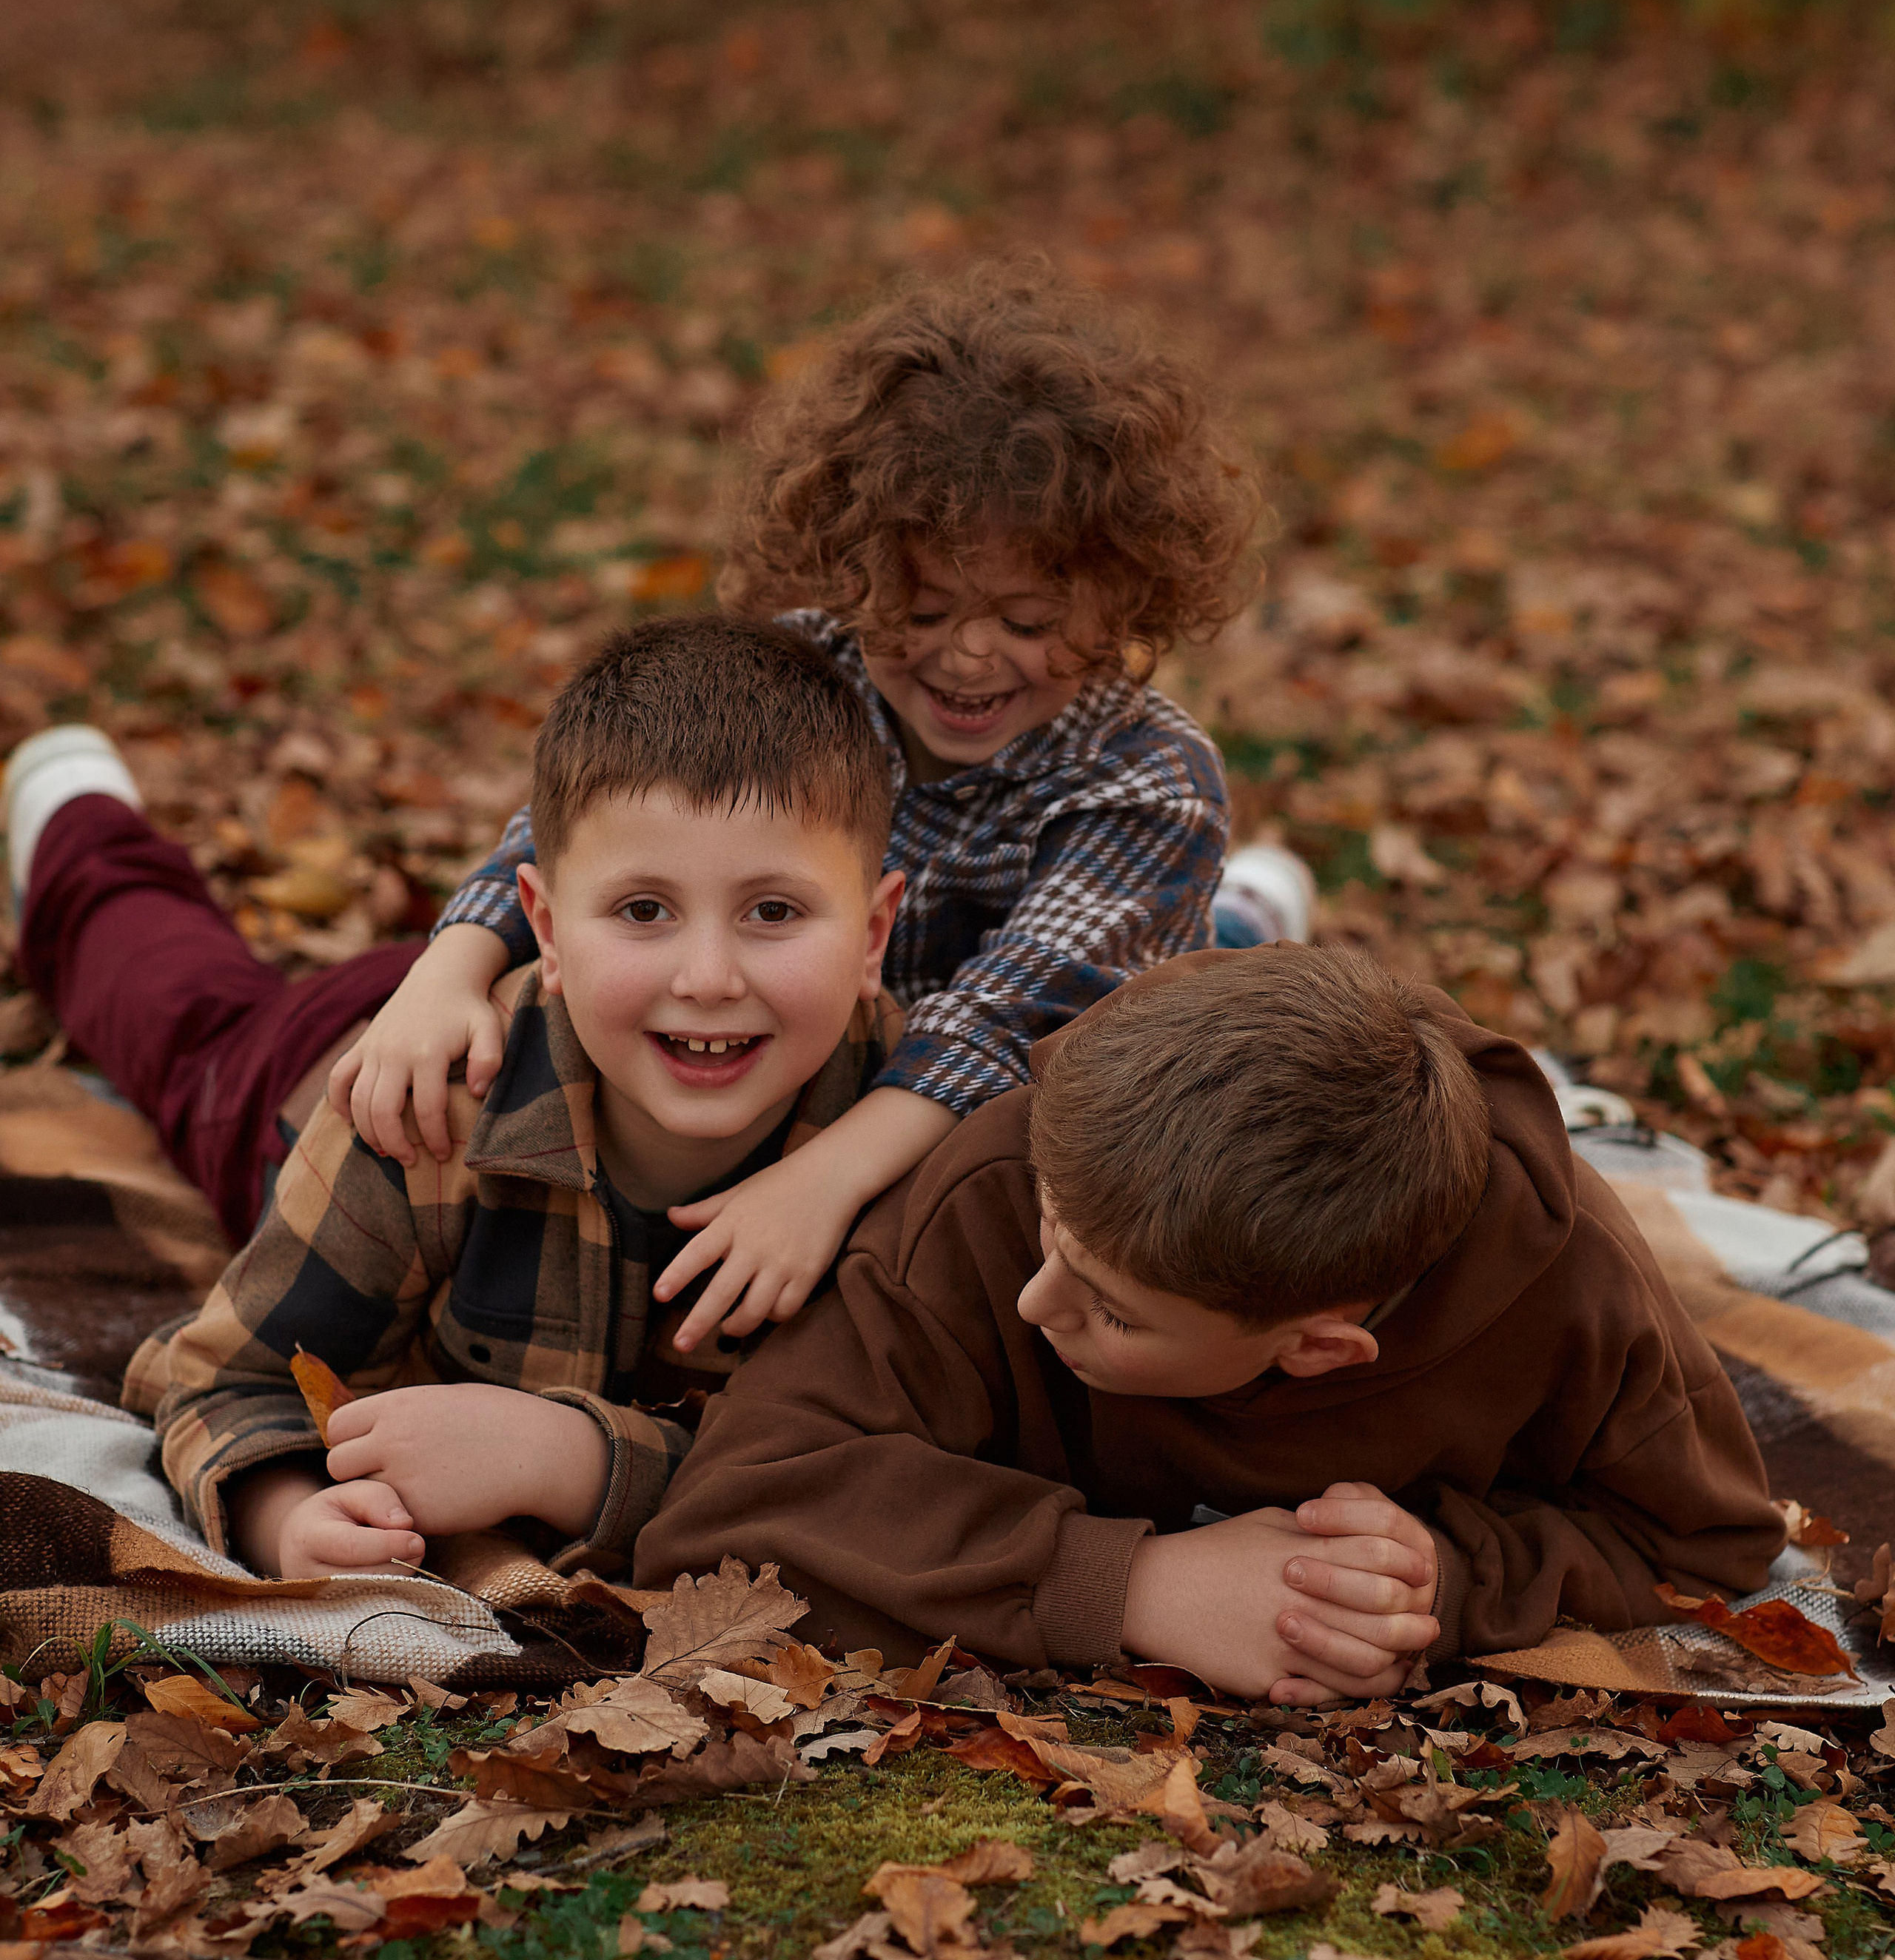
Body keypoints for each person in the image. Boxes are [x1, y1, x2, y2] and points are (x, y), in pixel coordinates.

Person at [327, 264, 1297, 1358]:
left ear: (1127, 594)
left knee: (1191, 981)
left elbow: (1002, 1021)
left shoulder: (1146, 780)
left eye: (1028, 620)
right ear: (857, 571)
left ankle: (1241, 923)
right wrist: (448, 962)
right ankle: (1244, 914)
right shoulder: (809, 667)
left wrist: (824, 1179)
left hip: (972, 1071)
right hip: (796, 1027)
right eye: (926, 608)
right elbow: (596, 816)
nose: (973, 653)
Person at [633, 944, 1785, 1705]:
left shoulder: (1573, 1282)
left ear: (1317, 1347)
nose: (1039, 1302)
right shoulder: (1008, 1170)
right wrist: (1133, 1587)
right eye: (1052, 1241)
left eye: (1114, 1310)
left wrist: (1432, 1581)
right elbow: (730, 1508)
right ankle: (1248, 920)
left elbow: (1703, 1546)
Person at [117, 617, 905, 1580]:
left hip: (564, 1025)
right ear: (543, 924)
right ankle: (74, 810)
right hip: (322, 1069)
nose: (708, 977)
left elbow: (884, 1466)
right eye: (643, 909)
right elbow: (218, 1379)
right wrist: (289, 1515)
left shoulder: (905, 1140)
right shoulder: (424, 1121)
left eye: (773, 911)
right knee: (158, 998)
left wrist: (565, 1459)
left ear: (873, 936)